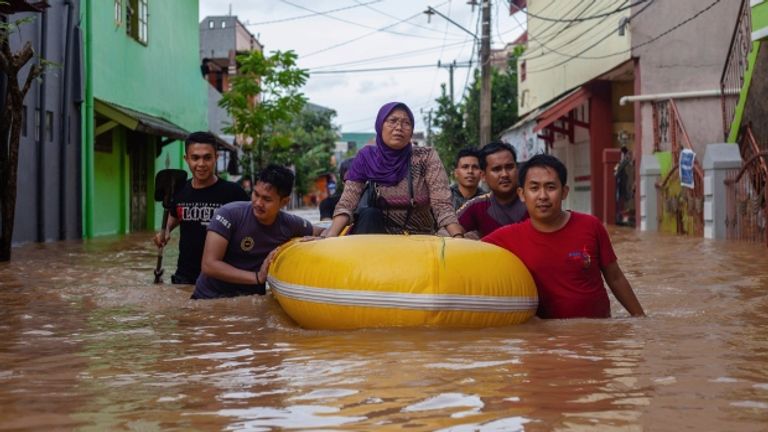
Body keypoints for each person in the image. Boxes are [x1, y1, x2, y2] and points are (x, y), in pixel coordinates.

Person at [483, 154, 645, 319]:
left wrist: (641, 318)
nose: (543, 196)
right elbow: (469, 254)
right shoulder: (507, 237)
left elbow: (616, 278)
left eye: (551, 187)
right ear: (522, 194)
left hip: (597, 334)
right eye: (534, 188)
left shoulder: (591, 226)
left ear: (564, 192)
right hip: (546, 338)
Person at [323, 102, 464, 237]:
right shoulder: (366, 157)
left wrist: (457, 237)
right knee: (369, 213)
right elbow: (347, 203)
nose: (399, 127)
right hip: (377, 236)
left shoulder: (426, 156)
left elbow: (442, 204)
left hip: (421, 237)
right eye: (392, 121)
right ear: (380, 125)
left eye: (406, 123)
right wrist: (328, 237)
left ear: (411, 131)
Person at [192, 164, 323, 299]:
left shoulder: (289, 224)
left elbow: (322, 232)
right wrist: (257, 277)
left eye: (267, 199)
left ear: (284, 202)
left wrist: (316, 241)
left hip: (250, 301)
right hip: (208, 299)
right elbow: (209, 265)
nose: (258, 203)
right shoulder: (229, 214)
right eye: (256, 194)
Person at [153, 131, 249, 284]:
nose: (201, 164)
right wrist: (166, 230)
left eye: (207, 157)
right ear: (186, 159)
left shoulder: (234, 193)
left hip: (221, 280)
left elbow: (251, 226)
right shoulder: (179, 191)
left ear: (216, 157)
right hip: (184, 277)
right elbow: (176, 213)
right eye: (195, 158)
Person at [457, 142, 527, 238]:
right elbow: (449, 230)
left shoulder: (534, 200)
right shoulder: (477, 206)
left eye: (509, 167)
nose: (504, 174)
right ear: (483, 176)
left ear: (517, 169)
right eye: (497, 169)